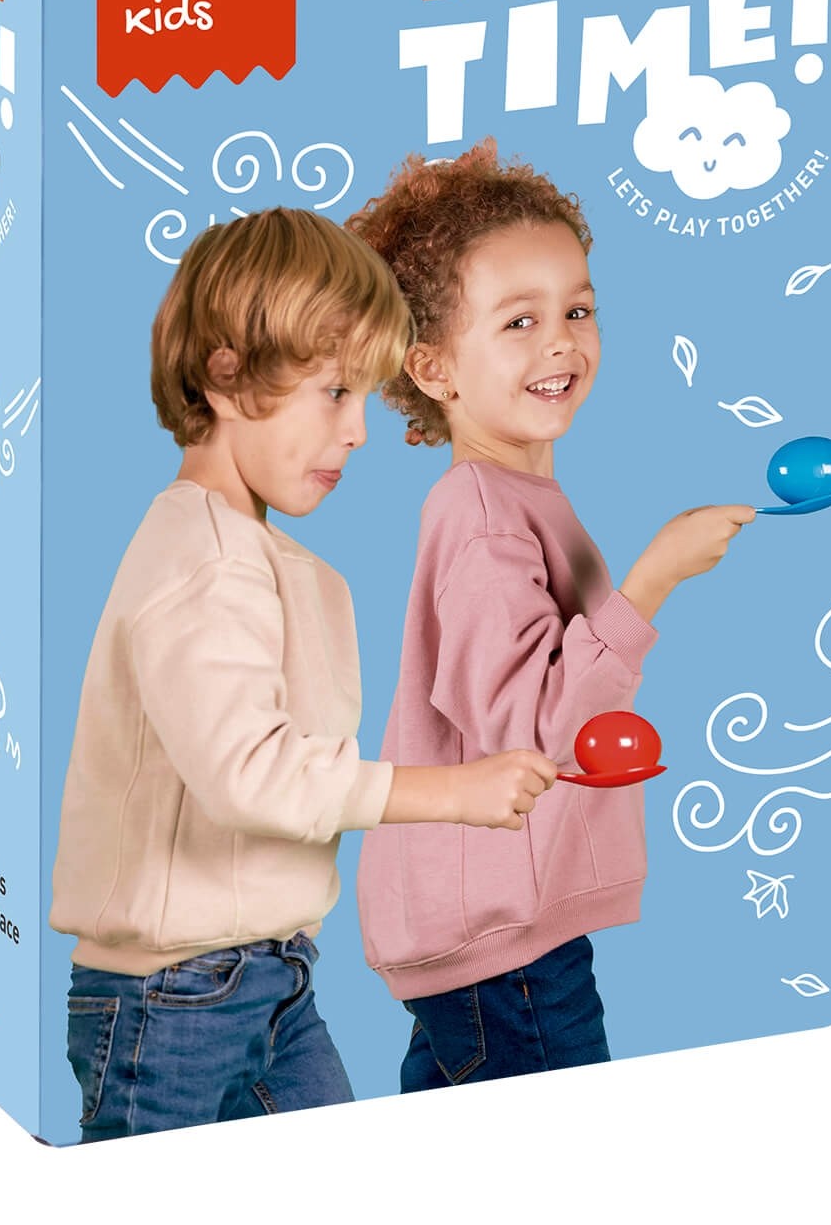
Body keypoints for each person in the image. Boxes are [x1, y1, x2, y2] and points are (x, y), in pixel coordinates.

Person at [49, 206, 557, 1140]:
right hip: (173, 997)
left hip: (270, 980)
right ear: (227, 375)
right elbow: (255, 774)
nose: (357, 431)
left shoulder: (266, 562)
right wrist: (452, 794)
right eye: (334, 393)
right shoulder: (204, 561)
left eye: (364, 398)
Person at [347, 139, 752, 1089]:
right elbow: (528, 729)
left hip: (499, 937)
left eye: (577, 310)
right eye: (519, 321)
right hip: (508, 948)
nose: (562, 342)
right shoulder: (484, 515)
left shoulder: (518, 499)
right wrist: (653, 580)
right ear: (434, 369)